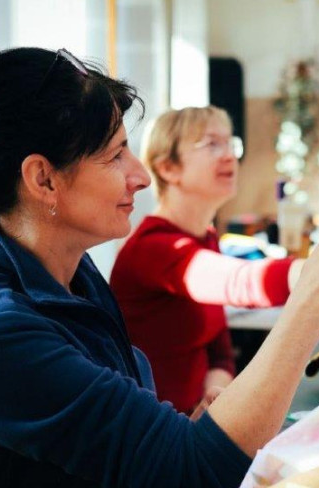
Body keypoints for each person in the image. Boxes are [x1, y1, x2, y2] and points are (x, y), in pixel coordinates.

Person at [0, 47, 319, 487]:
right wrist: (313, 300)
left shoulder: (73, 277)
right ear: (43, 179)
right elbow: (192, 473)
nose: (138, 175)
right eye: (115, 155)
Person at [110, 106, 304, 414]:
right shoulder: (154, 247)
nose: (229, 156)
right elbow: (243, 282)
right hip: (156, 435)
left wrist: (217, 395)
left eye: (230, 144)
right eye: (212, 144)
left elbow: (219, 350)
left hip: (195, 424)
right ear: (168, 168)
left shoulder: (206, 237)